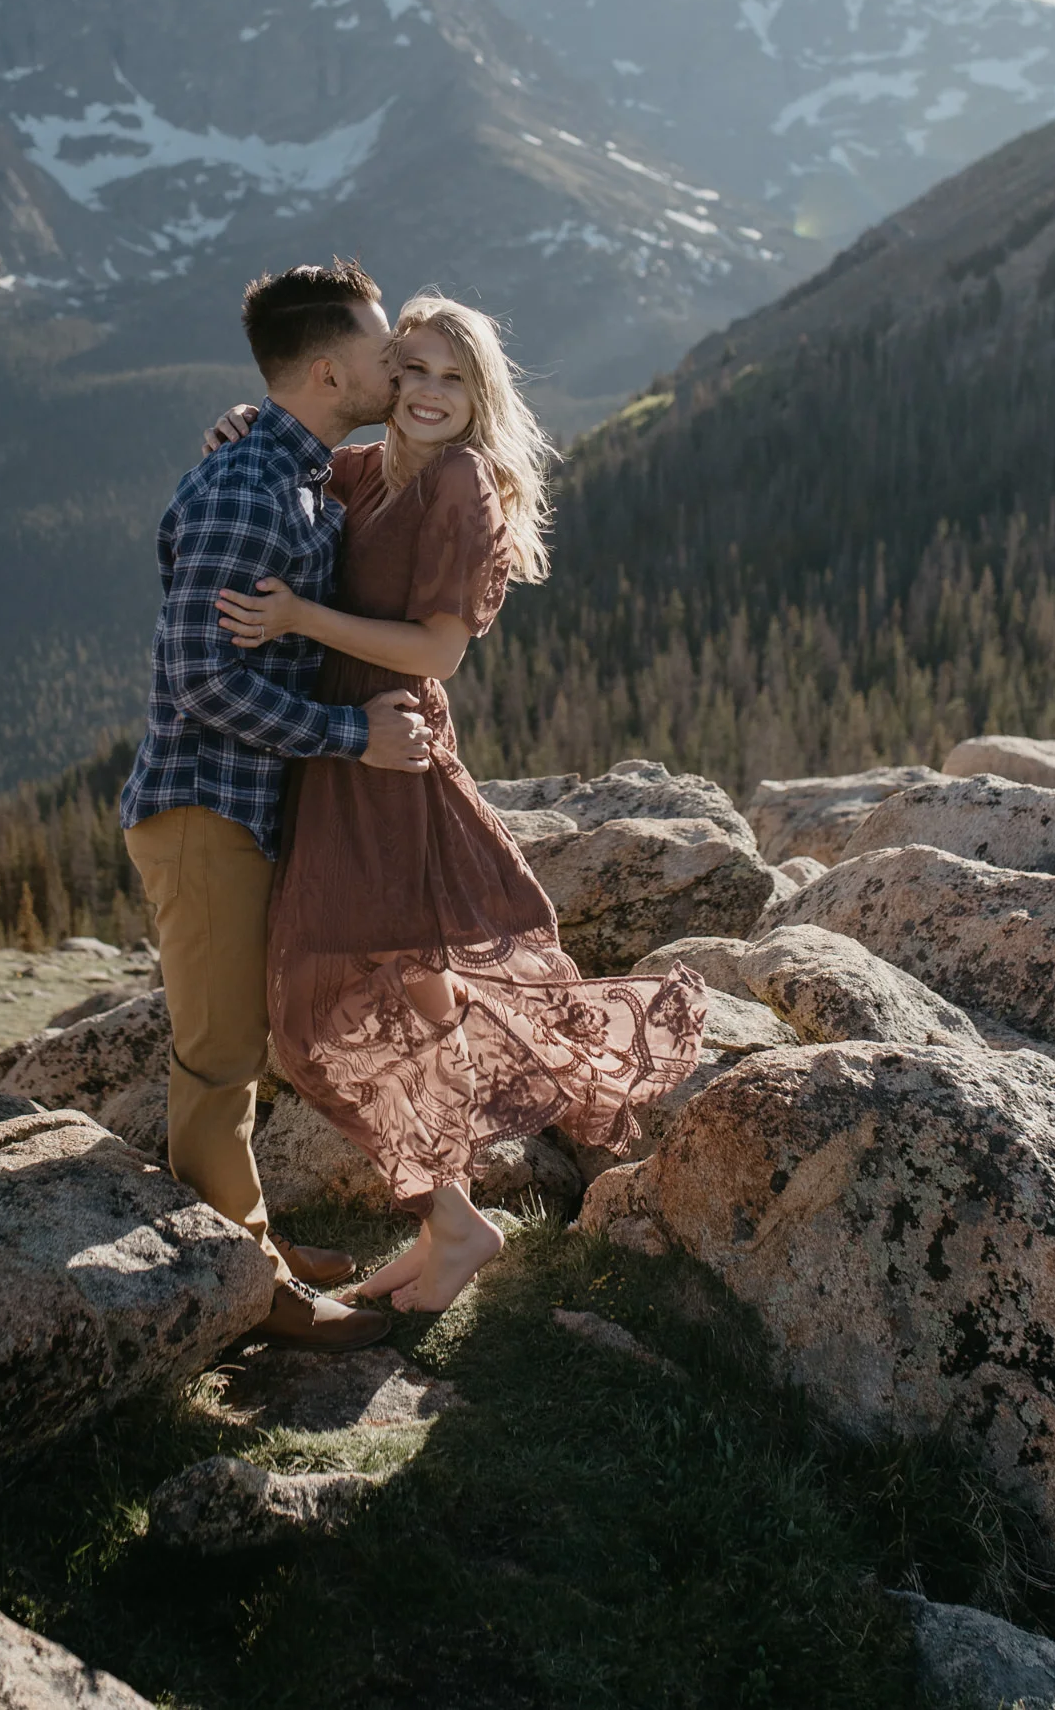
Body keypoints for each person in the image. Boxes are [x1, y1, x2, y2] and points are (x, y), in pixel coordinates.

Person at [208, 292, 708, 1314]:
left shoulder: (463, 482)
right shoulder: (370, 469)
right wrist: (238, 429)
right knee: (405, 988)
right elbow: (299, 448)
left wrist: (300, 613)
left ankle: (454, 1216)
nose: (429, 393)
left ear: (481, 393)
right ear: (386, 377)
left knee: (320, 1007)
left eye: (453, 376)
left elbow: (440, 649)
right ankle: (452, 1222)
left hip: (388, 754)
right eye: (414, 369)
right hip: (342, 754)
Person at [120, 258, 433, 1352]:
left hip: (243, 809)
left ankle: (240, 1240)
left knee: (242, 1044)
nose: (397, 362)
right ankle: (252, 1289)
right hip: (203, 809)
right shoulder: (248, 488)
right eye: (385, 348)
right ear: (327, 366)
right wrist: (356, 736)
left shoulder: (289, 469)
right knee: (214, 1057)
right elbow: (202, 680)